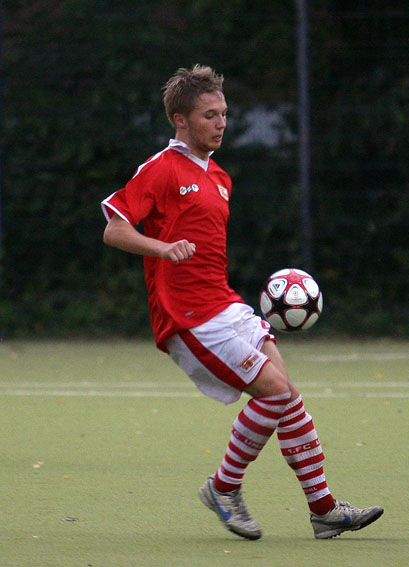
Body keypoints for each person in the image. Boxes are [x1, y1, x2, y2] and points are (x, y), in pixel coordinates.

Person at [101, 64, 383, 540]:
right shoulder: (161, 169)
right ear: (180, 120)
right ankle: (223, 488)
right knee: (273, 392)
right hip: (187, 315)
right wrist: (163, 248)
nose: (221, 123)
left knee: (287, 397)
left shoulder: (220, 177)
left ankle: (324, 511)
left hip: (225, 303)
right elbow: (114, 229)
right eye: (209, 115)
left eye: (224, 113)